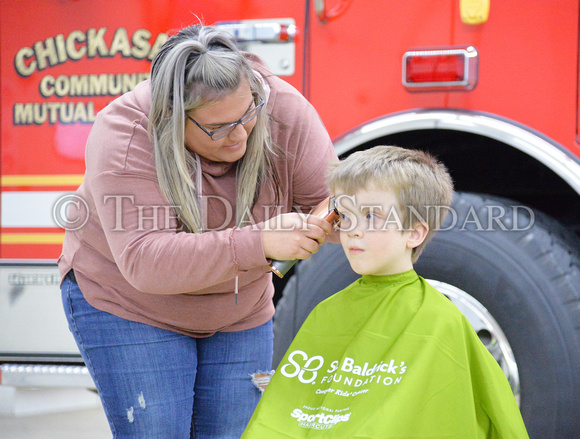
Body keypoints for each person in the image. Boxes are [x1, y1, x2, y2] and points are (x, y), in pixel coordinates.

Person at [58, 24, 337, 438]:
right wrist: (259, 242)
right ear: (172, 119)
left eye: (247, 114)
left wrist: (332, 217)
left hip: (239, 311)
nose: (241, 133)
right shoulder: (125, 131)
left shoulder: (282, 107)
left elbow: (329, 195)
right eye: (219, 127)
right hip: (132, 306)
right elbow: (145, 262)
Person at [242, 145, 529, 438]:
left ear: (415, 233)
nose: (352, 230)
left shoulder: (440, 324)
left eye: (371, 217)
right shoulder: (326, 312)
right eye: (346, 215)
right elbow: (286, 416)